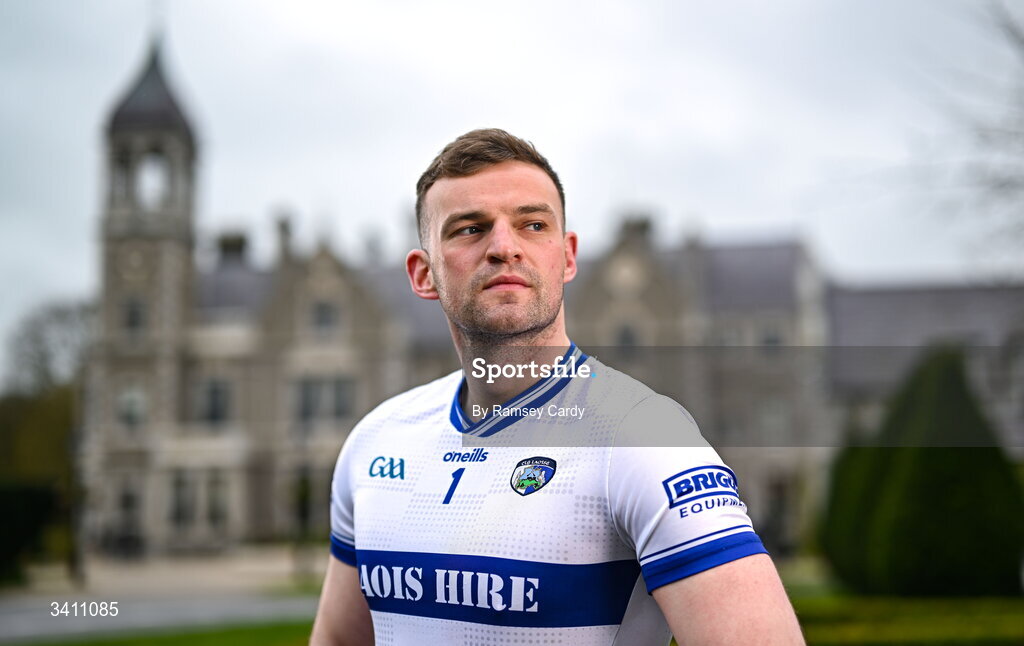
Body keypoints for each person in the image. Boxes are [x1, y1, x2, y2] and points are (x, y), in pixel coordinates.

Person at [310, 129, 805, 645]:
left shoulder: (645, 439)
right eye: (470, 229)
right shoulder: (376, 440)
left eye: (533, 225)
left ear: (567, 257)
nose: (504, 247)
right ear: (423, 273)